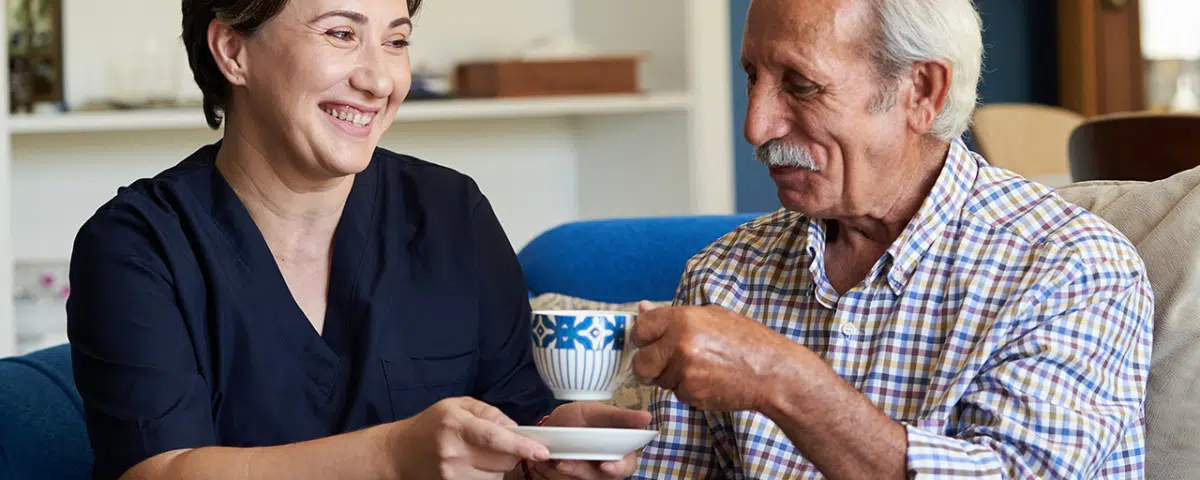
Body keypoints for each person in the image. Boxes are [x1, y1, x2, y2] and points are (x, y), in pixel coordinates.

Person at [65, 0, 649, 479]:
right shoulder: (138, 244)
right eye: (342, 33)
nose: (379, 80)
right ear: (232, 51)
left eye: (396, 41)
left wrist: (552, 455)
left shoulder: (452, 215)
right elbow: (158, 472)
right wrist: (395, 455)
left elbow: (517, 426)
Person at [630, 0, 1153, 478]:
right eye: (752, 77)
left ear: (922, 91)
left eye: (800, 84)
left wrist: (784, 380)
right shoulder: (724, 275)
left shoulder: (1071, 268)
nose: (756, 125)